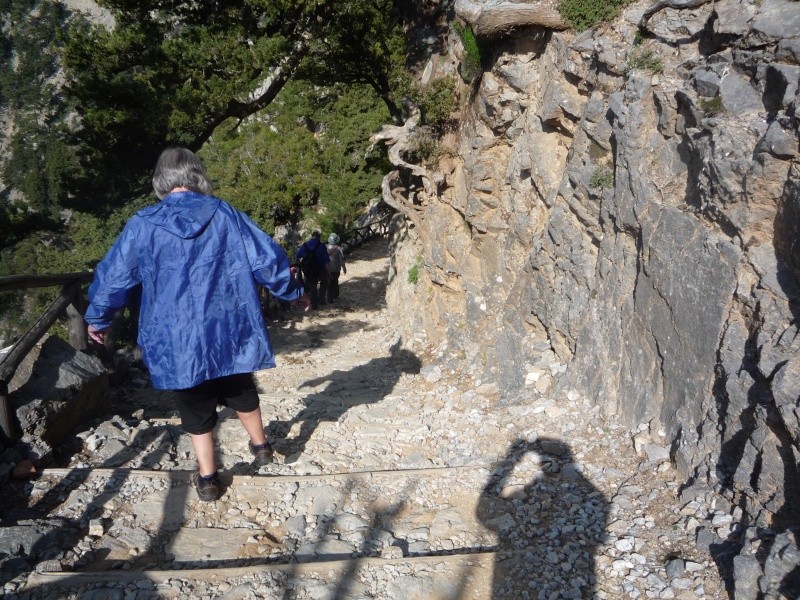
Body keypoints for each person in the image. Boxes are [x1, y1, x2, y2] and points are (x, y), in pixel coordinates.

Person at [84, 147, 309, 502]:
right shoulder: (225, 214)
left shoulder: (142, 224)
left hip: (176, 334)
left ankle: (207, 478)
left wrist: (99, 317)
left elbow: (114, 277)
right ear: (198, 176)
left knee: (193, 399)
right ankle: (261, 445)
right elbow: (266, 258)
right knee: (239, 385)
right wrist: (292, 291)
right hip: (229, 323)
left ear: (161, 181)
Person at [295, 229, 330, 310]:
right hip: (320, 268)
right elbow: (326, 261)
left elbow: (297, 255)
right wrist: (329, 272)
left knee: (312, 286)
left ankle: (314, 304)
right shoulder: (322, 246)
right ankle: (322, 300)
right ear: (319, 237)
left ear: (312, 236)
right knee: (324, 282)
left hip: (309, 269)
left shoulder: (305, 245)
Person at [326, 232, 346, 303]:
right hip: (336, 269)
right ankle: (335, 295)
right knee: (335, 281)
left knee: (329, 282)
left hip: (327, 268)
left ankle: (329, 298)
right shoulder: (338, 249)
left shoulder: (325, 247)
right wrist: (344, 268)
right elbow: (342, 260)